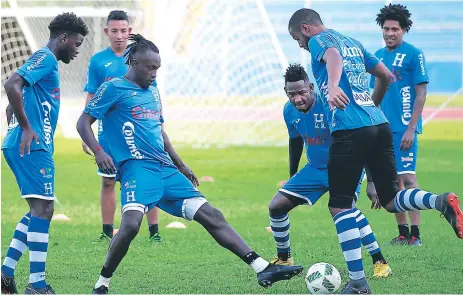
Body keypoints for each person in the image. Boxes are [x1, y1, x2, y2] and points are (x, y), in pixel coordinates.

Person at [76, 34, 303, 294]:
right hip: (137, 168)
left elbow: (160, 132)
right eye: (150, 67)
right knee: (129, 226)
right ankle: (102, 283)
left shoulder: (152, 91)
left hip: (166, 169)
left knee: (212, 215)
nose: (155, 73)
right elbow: (83, 123)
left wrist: (181, 165)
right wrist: (99, 151)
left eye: (158, 68)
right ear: (134, 63)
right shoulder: (113, 88)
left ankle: (262, 267)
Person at [288, 8, 462, 294]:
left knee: (340, 205)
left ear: (306, 29)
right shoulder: (354, 43)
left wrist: (332, 86)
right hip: (378, 126)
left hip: (349, 131)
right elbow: (386, 76)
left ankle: (358, 283)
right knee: (391, 199)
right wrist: (371, 107)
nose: (300, 45)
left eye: (297, 38)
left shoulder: (321, 40)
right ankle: (439, 201)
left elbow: (331, 55)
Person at [269, 64, 391, 278]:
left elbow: (363, 139)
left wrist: (372, 181)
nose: (297, 99)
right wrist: (292, 176)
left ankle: (379, 261)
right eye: (292, 94)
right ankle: (284, 258)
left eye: (301, 92)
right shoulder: (288, 111)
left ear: (311, 88)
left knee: (346, 211)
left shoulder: (331, 106)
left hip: (346, 166)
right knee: (276, 206)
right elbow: (295, 141)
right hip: (315, 168)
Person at [1, 12, 88, 294]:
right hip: (32, 145)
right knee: (44, 209)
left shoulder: (44, 62)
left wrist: (17, 123)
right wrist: (25, 128)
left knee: (38, 210)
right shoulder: (46, 58)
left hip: (29, 143)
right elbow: (11, 83)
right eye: (76, 43)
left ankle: (5, 274)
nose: (77, 50)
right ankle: (37, 284)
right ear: (64, 38)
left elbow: (12, 101)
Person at [83, 10, 162, 243]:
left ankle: (154, 231)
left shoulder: (139, 57)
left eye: (124, 30)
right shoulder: (98, 61)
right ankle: (107, 231)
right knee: (108, 179)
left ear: (130, 31)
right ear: (107, 32)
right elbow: (91, 94)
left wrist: (158, 122)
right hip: (109, 131)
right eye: (114, 31)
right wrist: (86, 135)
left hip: (139, 128)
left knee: (146, 175)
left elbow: (152, 90)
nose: (119, 35)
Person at [370, 3, 428, 246]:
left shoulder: (415, 54)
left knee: (409, 179)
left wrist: (411, 128)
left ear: (404, 30)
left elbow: (421, 94)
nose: (390, 33)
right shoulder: (377, 57)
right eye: (386, 28)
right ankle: (403, 232)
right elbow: (375, 93)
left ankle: (416, 234)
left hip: (404, 128)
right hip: (383, 129)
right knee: (394, 181)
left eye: (395, 29)